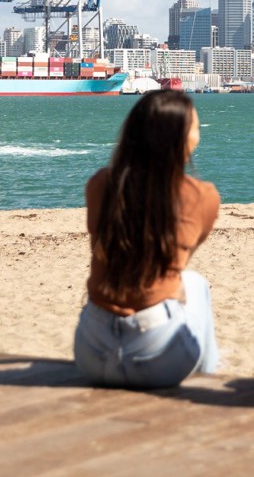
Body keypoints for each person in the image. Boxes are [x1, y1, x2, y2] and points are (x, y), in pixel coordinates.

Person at [73, 89, 221, 388]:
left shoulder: (100, 184)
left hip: (91, 355)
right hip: (157, 359)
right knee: (195, 284)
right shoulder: (202, 197)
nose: (198, 136)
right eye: (196, 128)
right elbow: (176, 263)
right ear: (182, 140)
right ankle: (208, 377)